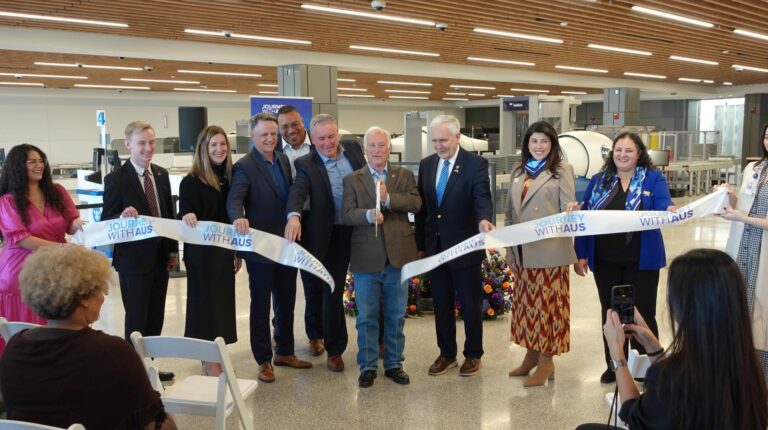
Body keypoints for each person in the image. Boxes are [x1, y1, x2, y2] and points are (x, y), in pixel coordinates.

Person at [576, 249, 768, 430]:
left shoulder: (671, 376)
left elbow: (634, 416)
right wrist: (654, 348)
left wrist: (617, 355)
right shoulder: (748, 364)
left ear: (685, 306)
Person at [0, 244, 177, 429]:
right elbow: (154, 423)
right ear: (84, 299)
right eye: (99, 290)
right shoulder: (112, 352)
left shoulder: (14, 348)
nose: (102, 298)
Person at [573, 132, 675, 384]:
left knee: (642, 312)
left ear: (639, 153)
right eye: (618, 150)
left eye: (628, 150)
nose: (622, 155)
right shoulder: (600, 180)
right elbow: (585, 217)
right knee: (611, 313)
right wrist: (581, 253)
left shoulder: (653, 178)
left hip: (641, 258)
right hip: (606, 258)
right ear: (612, 153)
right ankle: (615, 364)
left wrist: (670, 209)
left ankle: (646, 364)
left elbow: (664, 202)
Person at [227, 113, 312, 383]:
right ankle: (263, 359)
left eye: (273, 134)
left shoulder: (284, 160)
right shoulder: (245, 166)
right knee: (261, 305)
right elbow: (235, 198)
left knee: (286, 300)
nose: (270, 138)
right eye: (263, 134)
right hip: (261, 249)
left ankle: (285, 351)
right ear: (252, 136)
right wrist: (237, 217)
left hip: (285, 244)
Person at [415, 114, 494, 377]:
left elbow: (482, 196)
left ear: (457, 137)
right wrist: (419, 245)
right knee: (441, 303)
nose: (439, 146)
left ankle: (473, 354)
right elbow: (424, 209)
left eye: (443, 140)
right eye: (435, 141)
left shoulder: (475, 165)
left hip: (464, 247)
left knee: (470, 304)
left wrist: (484, 219)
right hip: (435, 247)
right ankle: (446, 353)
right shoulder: (426, 165)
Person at [341, 126, 421, 388]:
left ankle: (395, 364)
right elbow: (346, 213)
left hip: (398, 257)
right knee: (366, 316)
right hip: (366, 259)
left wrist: (388, 199)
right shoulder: (353, 179)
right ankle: (367, 365)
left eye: (381, 145)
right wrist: (366, 215)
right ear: (364, 150)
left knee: (396, 314)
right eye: (371, 145)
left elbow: (415, 204)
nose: (377, 150)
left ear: (389, 149)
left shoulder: (405, 175)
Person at [285, 113, 365, 372]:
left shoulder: (353, 149)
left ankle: (380, 343)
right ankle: (336, 350)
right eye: (321, 138)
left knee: (373, 286)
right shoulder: (306, 163)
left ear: (338, 134)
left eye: (331, 136)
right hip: (331, 234)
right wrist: (294, 216)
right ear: (312, 138)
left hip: (361, 229)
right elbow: (298, 191)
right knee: (332, 292)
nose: (327, 142)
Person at [102, 121, 178, 381]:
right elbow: (106, 219)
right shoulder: (116, 179)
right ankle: (132, 372)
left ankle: (148, 367)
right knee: (136, 318)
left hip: (160, 258)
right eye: (142, 143)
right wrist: (121, 216)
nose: (148, 148)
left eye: (152, 142)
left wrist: (172, 251)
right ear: (128, 144)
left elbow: (167, 214)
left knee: (155, 316)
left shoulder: (160, 174)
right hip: (134, 261)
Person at [504, 121, 576, 387]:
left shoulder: (560, 171)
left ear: (553, 144)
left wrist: (571, 208)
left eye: (544, 142)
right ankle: (531, 355)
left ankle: (547, 361)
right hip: (522, 253)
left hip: (549, 254)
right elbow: (510, 212)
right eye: (534, 141)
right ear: (527, 144)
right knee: (525, 308)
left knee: (549, 310)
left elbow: (567, 210)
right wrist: (510, 248)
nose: (538, 147)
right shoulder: (518, 170)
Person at [0, 144, 84, 354]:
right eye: (32, 161)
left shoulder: (57, 192)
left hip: (56, 268)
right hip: (21, 270)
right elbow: (22, 239)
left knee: (58, 322)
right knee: (25, 329)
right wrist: (64, 248)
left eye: (41, 160)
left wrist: (84, 227)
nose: (39, 165)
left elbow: (71, 223)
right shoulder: (7, 201)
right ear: (18, 166)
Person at [179, 125, 240, 377]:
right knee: (203, 304)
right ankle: (207, 358)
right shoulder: (191, 181)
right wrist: (187, 215)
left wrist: (237, 252)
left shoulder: (230, 178)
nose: (219, 149)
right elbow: (183, 213)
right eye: (213, 145)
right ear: (204, 148)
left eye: (223, 144)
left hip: (223, 252)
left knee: (223, 304)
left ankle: (219, 351)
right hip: (201, 254)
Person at [720, 122, 768, 380]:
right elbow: (742, 203)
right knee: (741, 305)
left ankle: (762, 376)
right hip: (743, 247)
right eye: (767, 136)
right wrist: (727, 197)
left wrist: (743, 217)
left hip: (764, 248)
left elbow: (746, 214)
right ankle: (741, 369)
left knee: (763, 312)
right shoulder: (754, 168)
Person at [276, 105, 313, 176]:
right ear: (279, 128)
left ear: (302, 121)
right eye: (285, 127)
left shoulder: (317, 141)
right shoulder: (273, 147)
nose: (291, 131)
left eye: (294, 124)